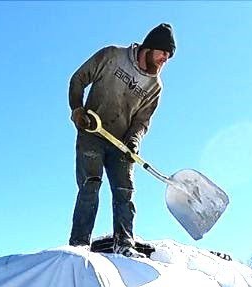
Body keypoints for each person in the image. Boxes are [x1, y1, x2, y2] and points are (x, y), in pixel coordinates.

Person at [67, 23, 174, 256]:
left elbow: (142, 121)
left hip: (121, 144)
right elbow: (78, 78)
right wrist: (77, 109)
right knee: (90, 185)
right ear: (150, 46)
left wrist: (133, 141)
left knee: (125, 190)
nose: (166, 58)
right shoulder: (113, 55)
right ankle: (79, 245)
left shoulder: (155, 86)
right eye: (163, 52)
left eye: (169, 56)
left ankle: (124, 244)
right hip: (92, 132)